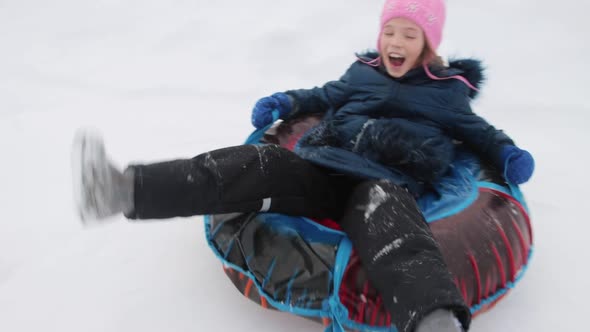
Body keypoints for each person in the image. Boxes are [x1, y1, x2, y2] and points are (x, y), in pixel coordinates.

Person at [72, 1, 534, 331]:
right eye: (390, 31)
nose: (396, 42)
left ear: (428, 45)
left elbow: (480, 134)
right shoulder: (363, 73)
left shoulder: (446, 94)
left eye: (409, 35)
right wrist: (284, 101)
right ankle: (124, 189)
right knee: (251, 165)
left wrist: (509, 155)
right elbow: (323, 97)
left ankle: (433, 317)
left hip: (382, 181)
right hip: (322, 164)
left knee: (397, 234)